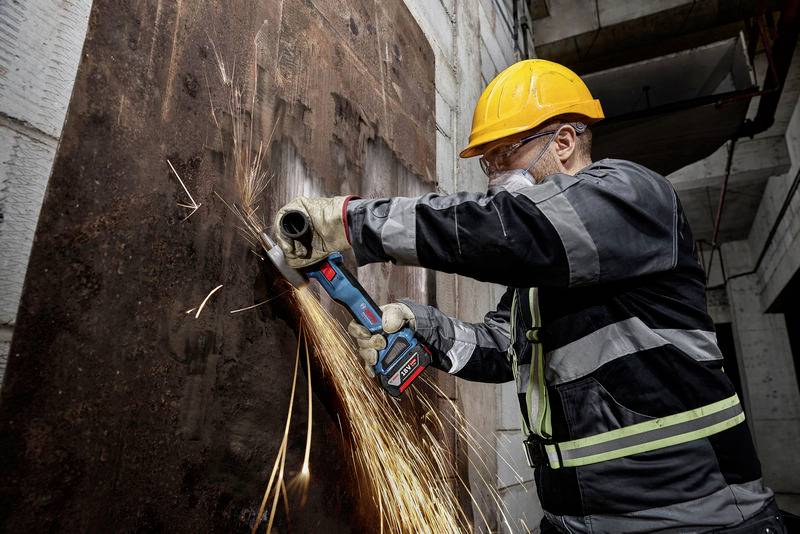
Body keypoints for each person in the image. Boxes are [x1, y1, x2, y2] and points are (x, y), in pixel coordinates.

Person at [274, 59, 785, 533]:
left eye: (506, 153)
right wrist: (421, 328)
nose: (495, 173)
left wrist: (352, 222)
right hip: (576, 521)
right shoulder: (542, 281)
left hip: (701, 520)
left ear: (563, 142)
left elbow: (508, 230)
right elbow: (502, 350)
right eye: (488, 162)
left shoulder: (632, 195)